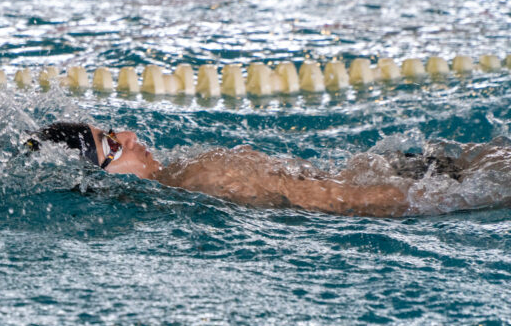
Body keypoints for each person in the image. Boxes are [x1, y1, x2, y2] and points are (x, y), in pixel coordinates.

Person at [25, 122, 511, 217]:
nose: (128, 135)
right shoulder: (202, 178)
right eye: (112, 144)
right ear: (106, 175)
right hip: (393, 188)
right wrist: (443, 200)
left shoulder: (187, 180)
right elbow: (336, 202)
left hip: (378, 173)